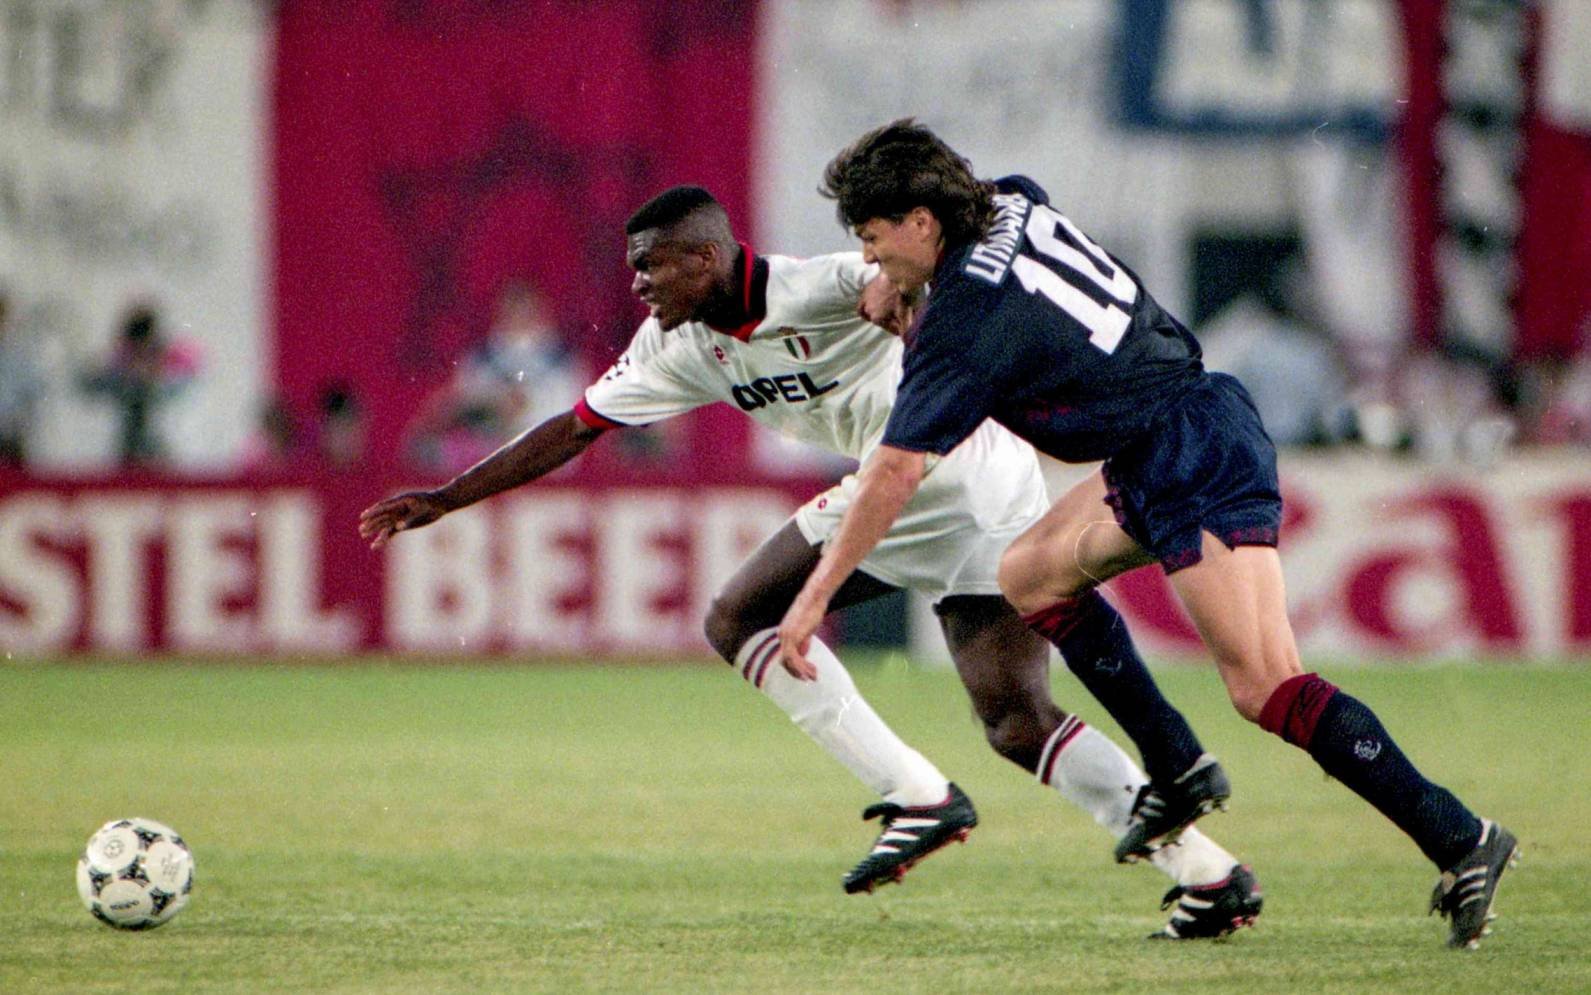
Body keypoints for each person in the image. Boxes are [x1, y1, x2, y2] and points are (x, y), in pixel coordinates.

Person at [361, 185, 1262, 940]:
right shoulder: (678, 350)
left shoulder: (830, 283)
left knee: (734, 615)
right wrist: (447, 496)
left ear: (704, 259)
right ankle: (1209, 873)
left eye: (650, 265)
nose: (636, 284)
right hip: (972, 491)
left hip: (932, 474)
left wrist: (909, 306)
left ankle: (913, 793)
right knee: (1016, 722)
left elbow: (945, 281)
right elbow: (572, 429)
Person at [780, 119, 1516, 950]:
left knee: (1266, 686)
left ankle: (1459, 837)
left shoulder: (963, 322)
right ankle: (1176, 767)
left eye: (876, 245)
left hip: (1192, 448)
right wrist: (908, 291)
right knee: (1028, 573)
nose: (873, 265)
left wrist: (813, 601)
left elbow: (893, 473)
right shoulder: (1006, 202)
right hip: (1152, 443)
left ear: (921, 220)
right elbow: (1022, 219)